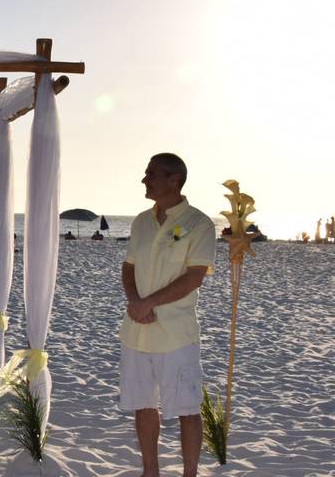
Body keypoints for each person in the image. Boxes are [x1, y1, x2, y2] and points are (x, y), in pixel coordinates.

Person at [119, 153, 216, 477]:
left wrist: (149, 304)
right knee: (143, 404)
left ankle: (190, 473)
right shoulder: (140, 222)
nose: (144, 179)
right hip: (137, 331)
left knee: (187, 409)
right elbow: (129, 267)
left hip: (176, 334)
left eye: (151, 174)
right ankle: (151, 471)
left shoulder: (198, 224)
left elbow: (194, 277)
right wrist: (135, 301)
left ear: (174, 180)